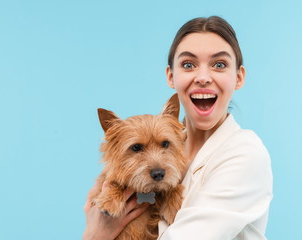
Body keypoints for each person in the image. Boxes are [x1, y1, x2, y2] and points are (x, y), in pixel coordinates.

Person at [83, 16, 273, 240]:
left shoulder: (245, 154)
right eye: (188, 65)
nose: (203, 77)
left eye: (219, 64)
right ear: (171, 77)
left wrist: (95, 236)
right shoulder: (172, 140)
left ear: (239, 77)